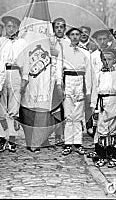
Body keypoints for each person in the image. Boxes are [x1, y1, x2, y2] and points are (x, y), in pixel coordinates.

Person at [57, 27, 93, 156]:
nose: (75, 37)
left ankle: (77, 143)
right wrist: (59, 84)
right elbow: (58, 68)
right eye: (72, 34)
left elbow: (89, 72)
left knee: (78, 115)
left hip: (80, 81)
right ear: (69, 36)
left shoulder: (85, 52)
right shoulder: (64, 50)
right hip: (68, 80)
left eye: (78, 34)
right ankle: (67, 143)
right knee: (68, 114)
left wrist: (88, 90)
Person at [0, 16, 28, 152]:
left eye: (13, 27)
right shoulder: (1, 42)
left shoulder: (22, 43)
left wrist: (24, 80)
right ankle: (2, 138)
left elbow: (26, 62)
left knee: (14, 109)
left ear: (18, 28)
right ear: (5, 29)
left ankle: (12, 139)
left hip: (16, 74)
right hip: (3, 73)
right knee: (2, 110)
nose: (11, 29)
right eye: (8, 26)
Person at [90, 48, 116, 168]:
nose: (106, 62)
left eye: (109, 59)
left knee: (113, 128)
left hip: (113, 101)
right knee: (101, 128)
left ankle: (114, 156)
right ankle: (102, 156)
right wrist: (93, 106)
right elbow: (95, 90)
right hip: (101, 102)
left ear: (114, 60)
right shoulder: (98, 74)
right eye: (104, 59)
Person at [50, 17, 70, 146]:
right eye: (56, 27)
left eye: (61, 27)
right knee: (50, 107)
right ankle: (49, 135)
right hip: (49, 77)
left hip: (63, 77)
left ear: (64, 28)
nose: (59, 29)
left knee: (63, 107)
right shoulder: (49, 41)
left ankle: (63, 134)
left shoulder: (68, 42)